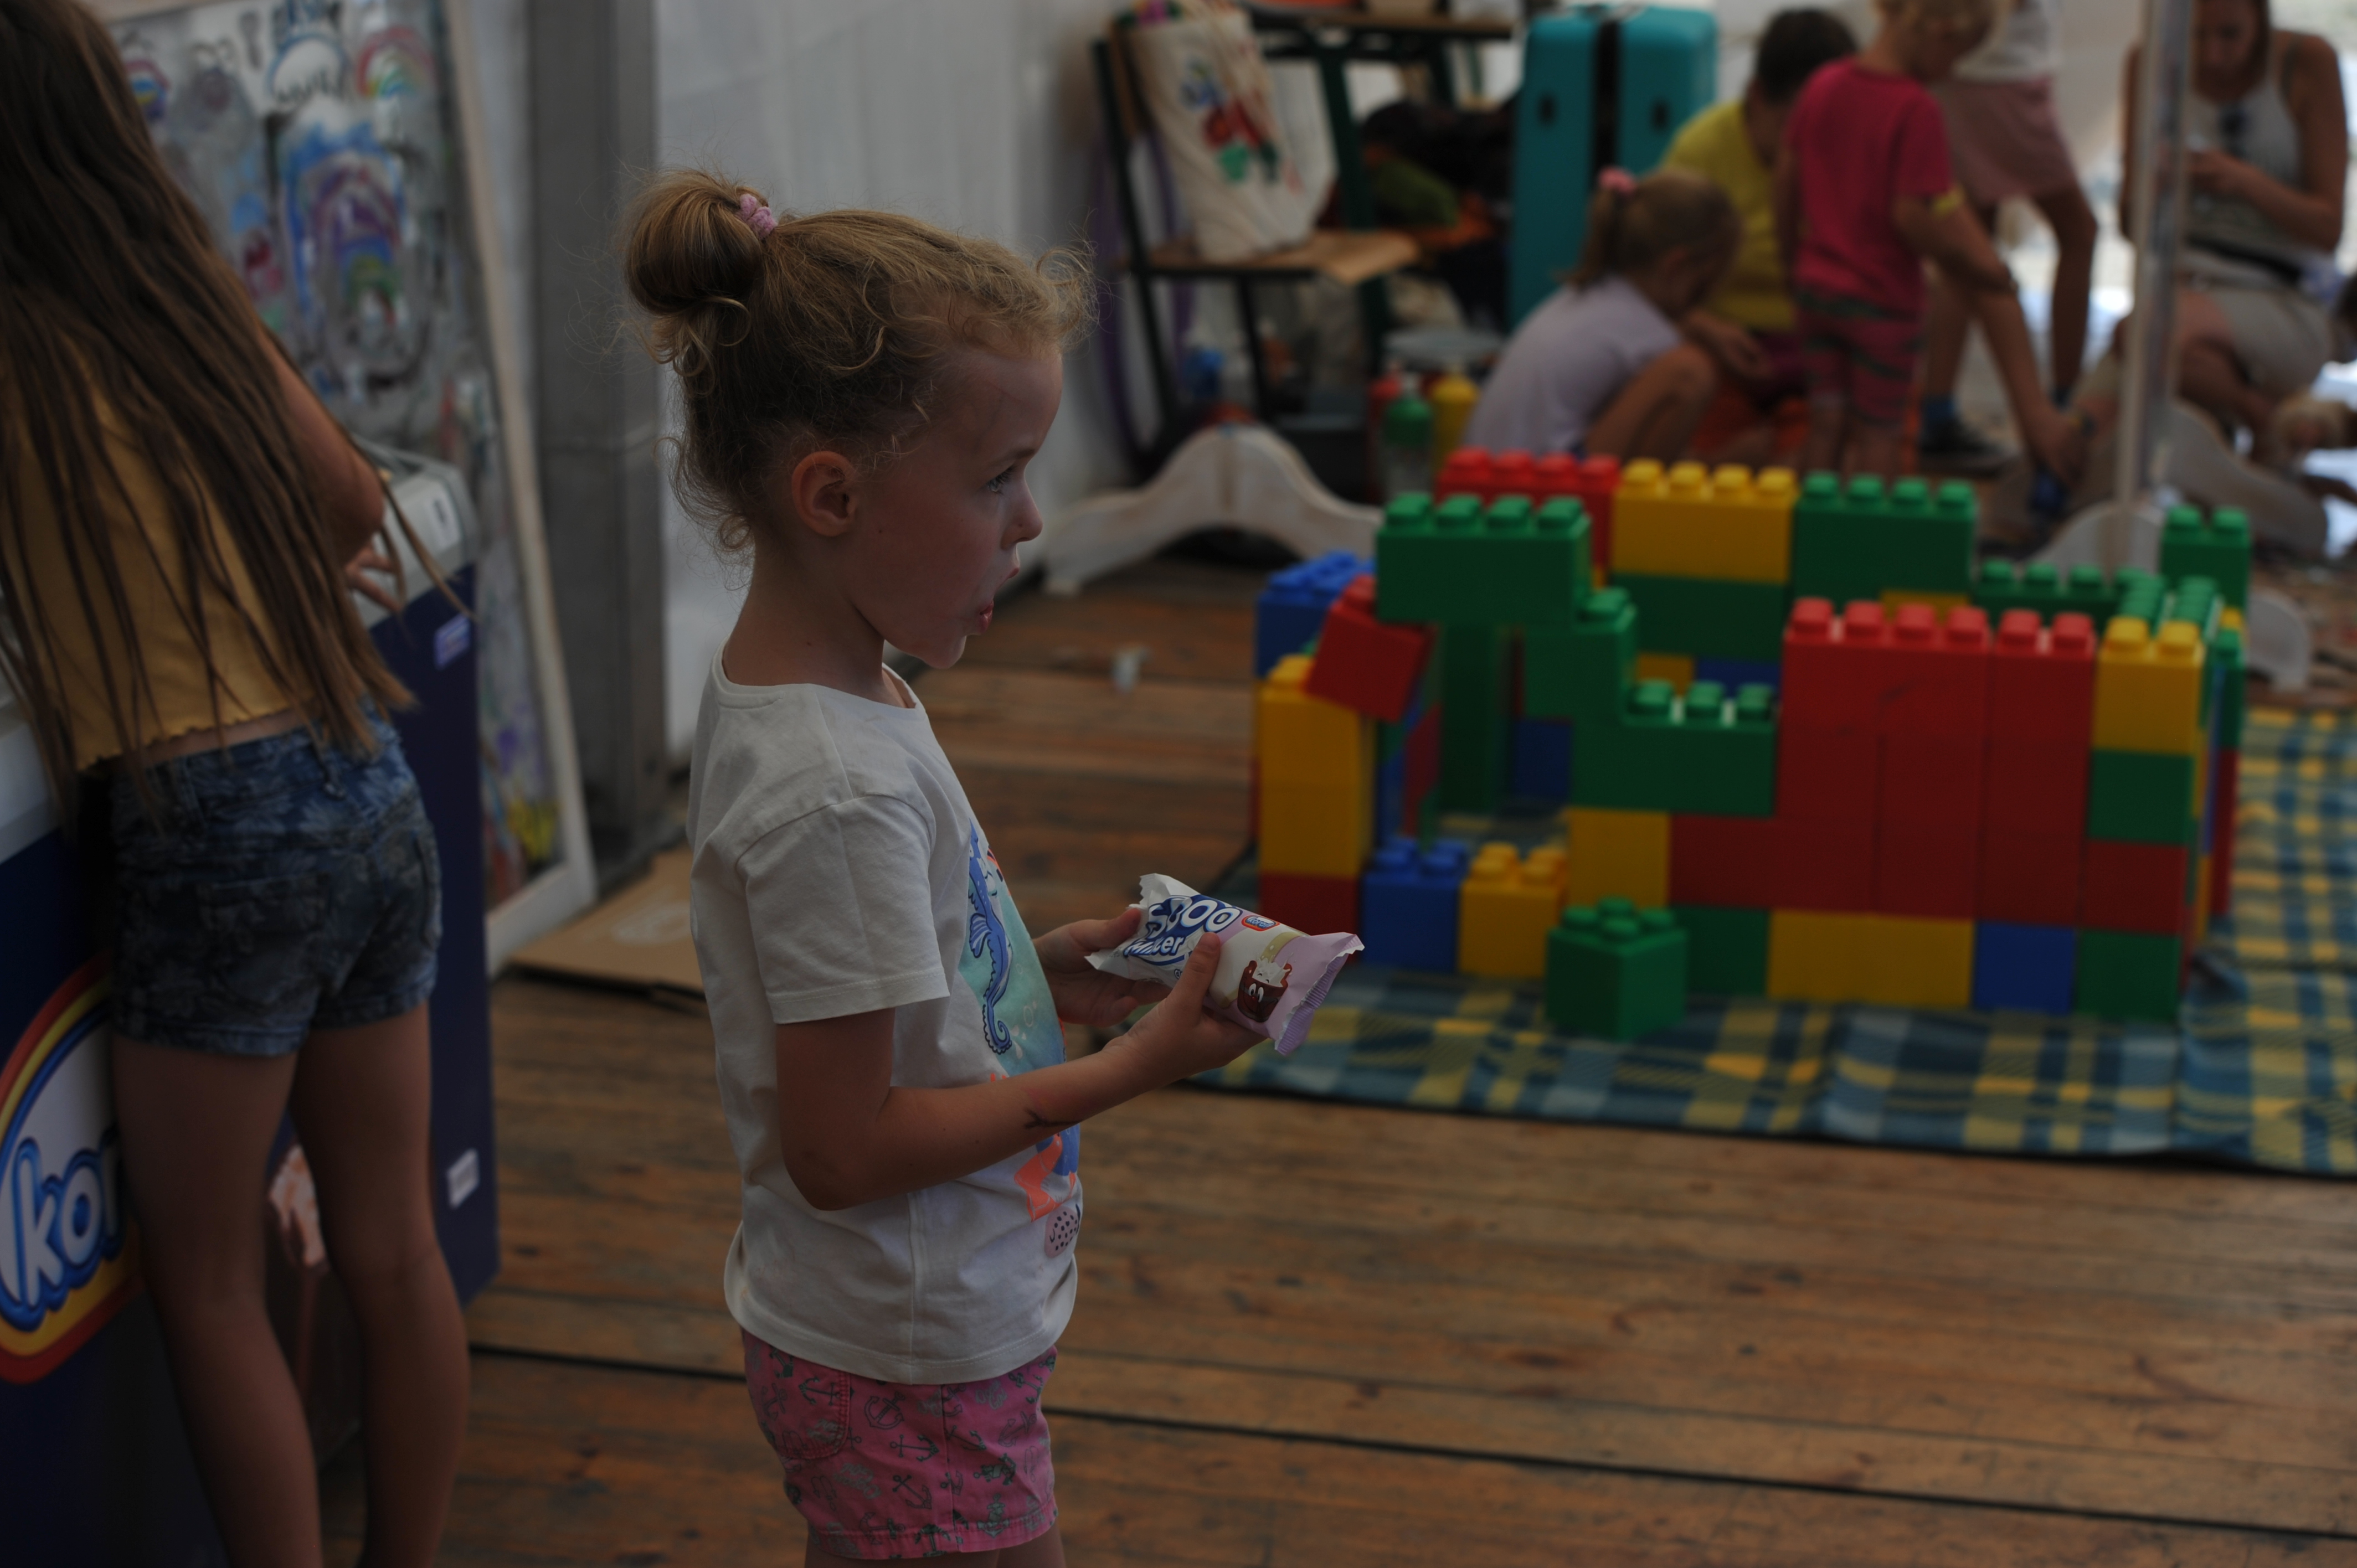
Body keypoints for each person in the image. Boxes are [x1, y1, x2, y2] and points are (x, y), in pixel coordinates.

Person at [626, 174, 1259, 1566]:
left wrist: (1034, 973)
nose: (1029, 519)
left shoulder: (830, 690)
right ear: (833, 494)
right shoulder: (834, 787)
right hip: (905, 1348)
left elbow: (872, 998)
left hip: (899, 1327)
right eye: (996, 478)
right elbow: (844, 1148)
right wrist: (1127, 1070)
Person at [0, 3, 466, 1565]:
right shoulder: (185, 291)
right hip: (359, 775)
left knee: (205, 1286)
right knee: (395, 1248)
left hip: (210, 830)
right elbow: (352, 502)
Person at [1777, 0, 2085, 481]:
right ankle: (1871, 522)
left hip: (1817, 290)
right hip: (1882, 302)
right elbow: (1913, 216)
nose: (1954, 72)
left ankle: (1809, 520)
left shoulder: (1824, 83)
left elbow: (1786, 180)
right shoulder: (1916, 110)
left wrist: (1791, 263)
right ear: (1940, 33)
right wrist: (1971, 266)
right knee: (1880, 431)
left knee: (1826, 422)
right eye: (1958, 55)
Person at [2123, 0, 2348, 451]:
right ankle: (2263, 423)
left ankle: (2258, 419)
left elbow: (2328, 231)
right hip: (2185, 288)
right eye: (2197, 35)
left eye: (2230, 35)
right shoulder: (2148, 63)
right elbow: (2132, 226)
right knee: (2085, 444)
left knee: (2147, 339)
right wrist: (2157, 186)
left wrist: (2245, 182)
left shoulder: (2307, 62)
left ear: (2259, 21)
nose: (2212, 55)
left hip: (2280, 292)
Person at [1917, 0, 2101, 474]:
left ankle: (1937, 413)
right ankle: (2060, 411)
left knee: (1968, 256)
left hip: (1981, 76)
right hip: (2001, 79)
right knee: (2076, 234)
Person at [1663, 9, 1859, 440]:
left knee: (1830, 455)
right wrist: (1705, 327)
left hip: (1821, 355)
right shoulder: (1700, 151)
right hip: (1722, 354)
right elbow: (1648, 278)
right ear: (1757, 95)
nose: (1812, 141)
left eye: (1829, 122)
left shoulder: (1856, 154)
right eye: (1798, 123)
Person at [1461, 168, 1741, 461]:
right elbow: (1648, 453)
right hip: (1533, 481)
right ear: (1675, 268)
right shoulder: (1652, 336)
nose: (1704, 301)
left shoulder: (1593, 295)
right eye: (1705, 285)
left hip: (1485, 468)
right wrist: (1726, 460)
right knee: (1690, 372)